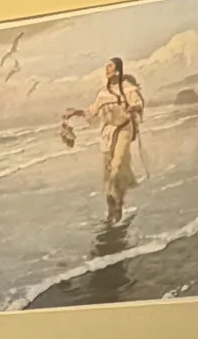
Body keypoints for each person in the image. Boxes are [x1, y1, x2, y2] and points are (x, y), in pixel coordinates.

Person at [62, 57, 147, 228]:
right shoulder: (102, 93)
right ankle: (112, 209)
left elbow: (139, 103)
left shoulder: (128, 89)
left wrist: (132, 108)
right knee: (108, 173)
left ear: (117, 70)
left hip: (124, 128)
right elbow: (91, 112)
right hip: (108, 131)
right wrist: (75, 113)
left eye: (110, 66)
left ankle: (118, 206)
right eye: (106, 67)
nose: (106, 69)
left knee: (117, 167)